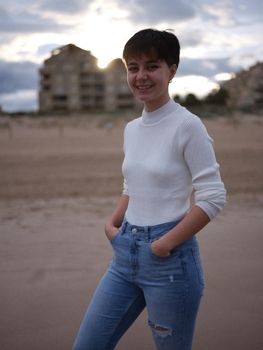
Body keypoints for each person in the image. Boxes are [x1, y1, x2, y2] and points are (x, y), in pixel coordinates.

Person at [73, 28, 226, 350]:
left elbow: (213, 197)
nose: (141, 76)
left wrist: (163, 245)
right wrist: (112, 224)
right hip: (123, 254)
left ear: (172, 71)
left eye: (152, 66)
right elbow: (132, 183)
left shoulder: (188, 125)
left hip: (170, 263)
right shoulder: (132, 129)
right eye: (133, 67)